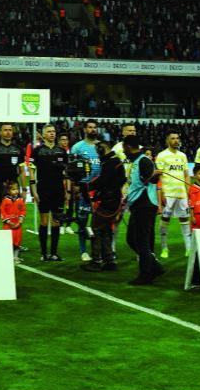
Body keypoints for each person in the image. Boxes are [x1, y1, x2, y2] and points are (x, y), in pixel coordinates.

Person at [122, 135, 163, 283]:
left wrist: (153, 174)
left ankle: (146, 274)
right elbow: (137, 182)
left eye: (124, 147)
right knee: (132, 239)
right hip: (138, 205)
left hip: (144, 205)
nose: (123, 150)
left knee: (141, 241)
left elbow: (153, 179)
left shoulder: (143, 160)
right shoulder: (136, 161)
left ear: (128, 146)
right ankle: (154, 266)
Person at [82, 140, 125, 272]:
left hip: (108, 201)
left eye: (98, 150)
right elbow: (121, 180)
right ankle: (109, 260)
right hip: (115, 200)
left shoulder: (110, 163)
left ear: (103, 149)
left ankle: (96, 261)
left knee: (96, 229)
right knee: (106, 230)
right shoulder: (116, 161)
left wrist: (89, 187)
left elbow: (103, 181)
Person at [29, 124, 67, 262]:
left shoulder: (61, 151)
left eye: (53, 131)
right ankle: (44, 254)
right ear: (44, 135)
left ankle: (54, 253)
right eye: (49, 132)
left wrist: (67, 191)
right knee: (44, 221)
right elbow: (31, 172)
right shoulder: (37, 151)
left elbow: (66, 173)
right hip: (43, 189)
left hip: (58, 190)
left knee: (56, 222)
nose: (52, 133)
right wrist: (33, 191)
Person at [68, 121, 102, 262]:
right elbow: (70, 169)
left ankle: (97, 251)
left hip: (100, 190)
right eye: (90, 127)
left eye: (94, 127)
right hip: (83, 190)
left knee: (99, 223)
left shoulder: (102, 146)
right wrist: (74, 187)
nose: (93, 129)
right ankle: (83, 251)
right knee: (82, 221)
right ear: (85, 129)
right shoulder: (77, 147)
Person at [155, 132, 191, 258]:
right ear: (167, 141)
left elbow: (186, 175)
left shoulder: (182, 156)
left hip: (181, 193)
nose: (176, 140)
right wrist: (162, 193)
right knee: (165, 220)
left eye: (177, 138)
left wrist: (188, 192)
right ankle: (164, 248)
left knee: (185, 220)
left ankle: (188, 248)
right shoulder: (162, 155)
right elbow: (159, 177)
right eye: (173, 138)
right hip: (168, 194)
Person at [0, 179, 26, 263]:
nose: (16, 191)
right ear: (8, 191)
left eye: (17, 189)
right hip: (8, 226)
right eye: (13, 189)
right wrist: (9, 222)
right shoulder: (5, 200)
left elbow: (23, 210)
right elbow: (2, 211)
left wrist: (20, 221)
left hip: (18, 226)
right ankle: (7, 257)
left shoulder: (20, 200)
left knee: (17, 242)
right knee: (8, 242)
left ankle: (16, 257)